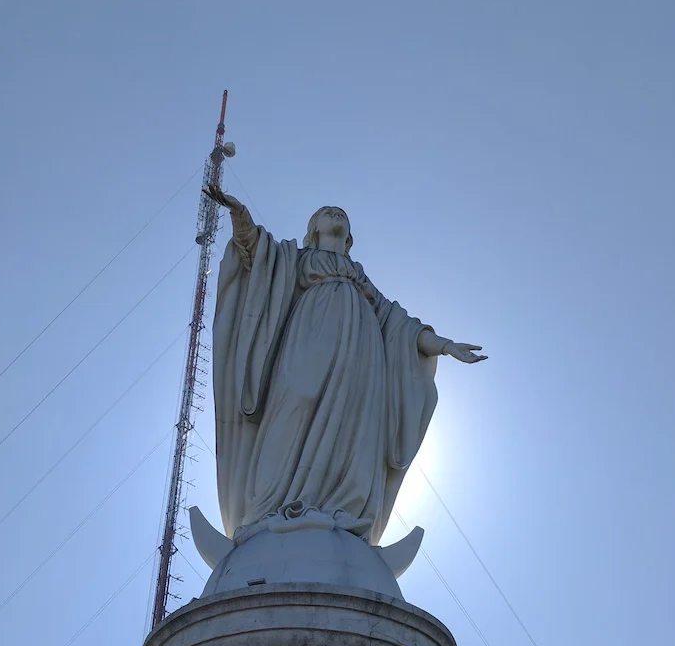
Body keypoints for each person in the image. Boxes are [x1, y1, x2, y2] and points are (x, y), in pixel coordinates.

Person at [204, 185, 487, 550]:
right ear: (314, 229)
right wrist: (239, 215)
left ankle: (342, 510)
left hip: (361, 358)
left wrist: (447, 347)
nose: (335, 213)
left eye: (341, 213)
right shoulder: (295, 259)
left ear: (349, 237)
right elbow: (257, 253)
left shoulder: (361, 281)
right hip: (307, 341)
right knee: (293, 407)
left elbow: (404, 329)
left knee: (356, 426)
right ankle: (270, 506)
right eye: (327, 211)